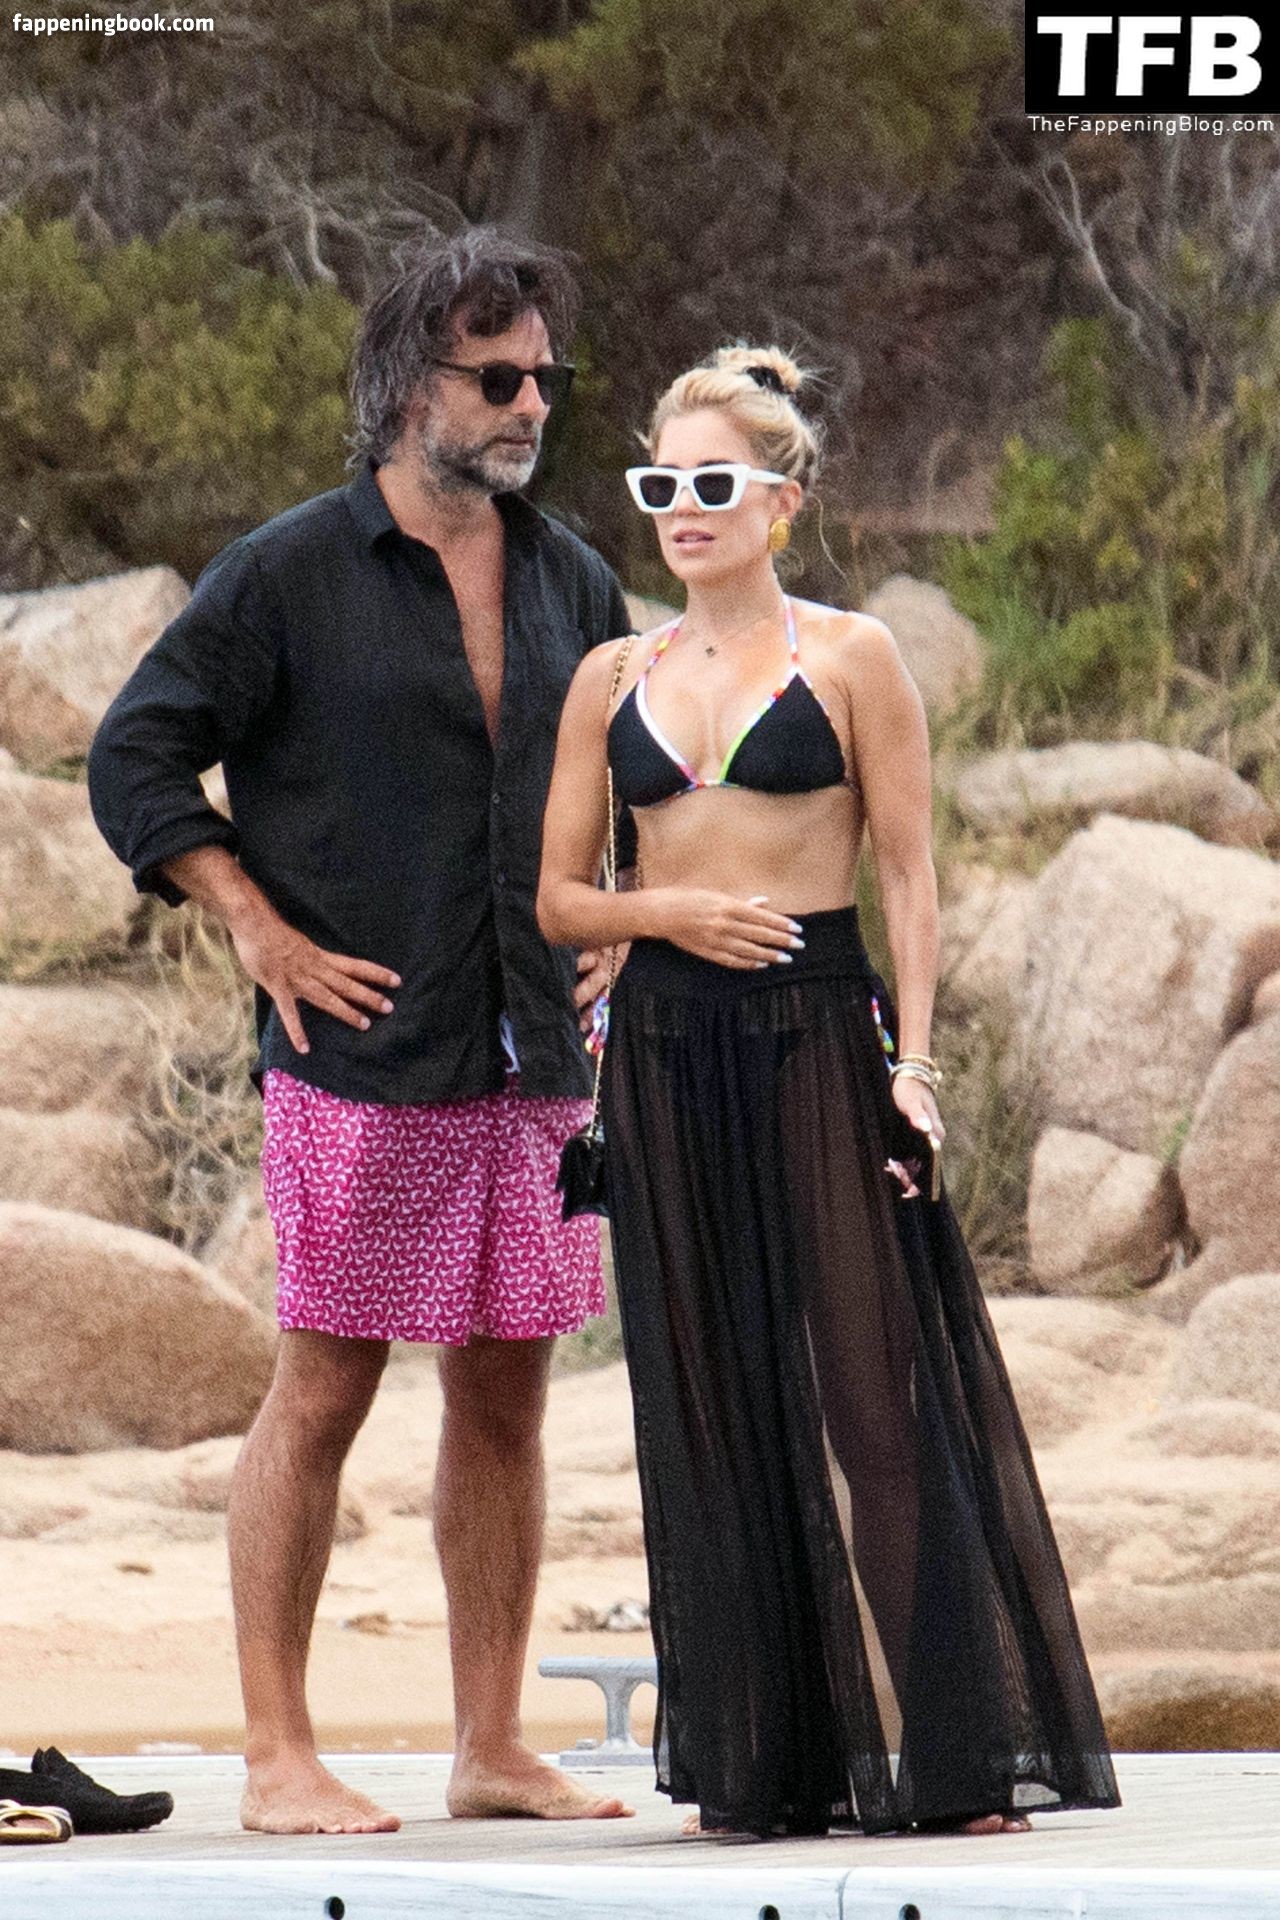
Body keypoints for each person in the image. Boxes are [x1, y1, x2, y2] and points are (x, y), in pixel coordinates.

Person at [87, 229, 635, 1836]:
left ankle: (490, 1745)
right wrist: (254, 925)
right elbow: (137, 756)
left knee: (509, 1394)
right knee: (325, 1385)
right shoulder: (288, 573)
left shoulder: (572, 577)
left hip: (536, 1054)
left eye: (544, 376)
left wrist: (623, 906)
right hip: (363, 1052)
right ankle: (277, 1757)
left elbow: (638, 769)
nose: (532, 403)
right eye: (498, 376)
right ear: (409, 385)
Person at [536, 344, 1122, 1839]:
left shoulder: (855, 658)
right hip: (665, 1049)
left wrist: (913, 1066)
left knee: (872, 1394)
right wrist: (664, 915)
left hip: (817, 1031)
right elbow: (556, 900)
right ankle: (760, 1766)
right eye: (659, 485)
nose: (682, 509)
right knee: (712, 1398)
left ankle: (953, 1760)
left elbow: (910, 881)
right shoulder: (613, 676)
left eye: (712, 484)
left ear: (782, 502)